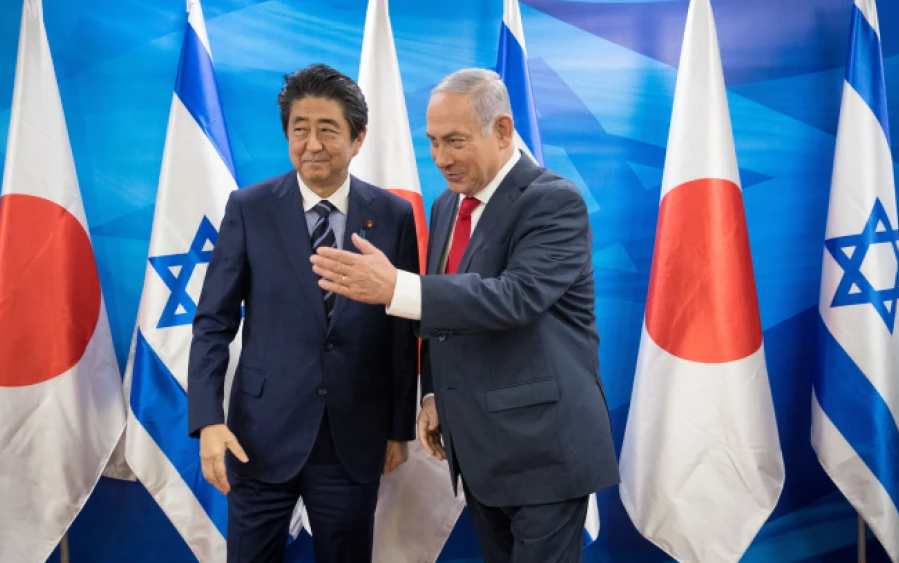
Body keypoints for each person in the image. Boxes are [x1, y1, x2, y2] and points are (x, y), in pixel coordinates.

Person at [310, 68, 619, 563]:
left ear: (501, 130)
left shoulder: (552, 201)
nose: (440, 158)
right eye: (432, 141)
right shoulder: (445, 206)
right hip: (479, 451)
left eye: (454, 141)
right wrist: (432, 392)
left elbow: (513, 297)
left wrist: (397, 287)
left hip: (546, 453)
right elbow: (447, 317)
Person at [187, 63, 419, 563]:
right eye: (300, 129)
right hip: (260, 436)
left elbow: (401, 332)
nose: (312, 143)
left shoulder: (394, 216)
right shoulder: (249, 208)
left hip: (353, 437)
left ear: (358, 139)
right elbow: (213, 321)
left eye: (327, 130)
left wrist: (398, 427)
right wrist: (207, 418)